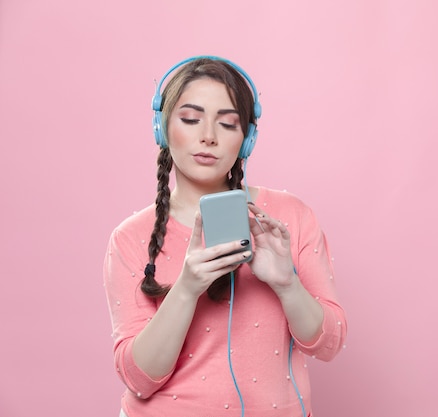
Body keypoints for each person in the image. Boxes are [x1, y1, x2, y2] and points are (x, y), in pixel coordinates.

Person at [103, 56, 347, 417]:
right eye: (190, 119)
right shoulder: (130, 238)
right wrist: (186, 288)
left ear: (246, 140)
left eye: (228, 123)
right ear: (162, 128)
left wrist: (286, 284)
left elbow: (329, 344)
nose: (208, 136)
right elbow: (139, 379)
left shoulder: (291, 217)